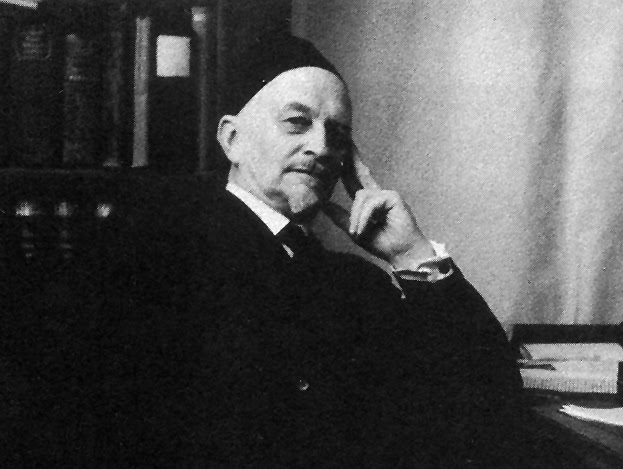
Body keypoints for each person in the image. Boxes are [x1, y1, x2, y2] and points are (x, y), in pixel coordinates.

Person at [96, 28, 534, 468]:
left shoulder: (357, 286)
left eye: (338, 135)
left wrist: (411, 254)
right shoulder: (160, 254)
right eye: (296, 122)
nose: (322, 148)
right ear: (232, 139)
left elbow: (491, 412)